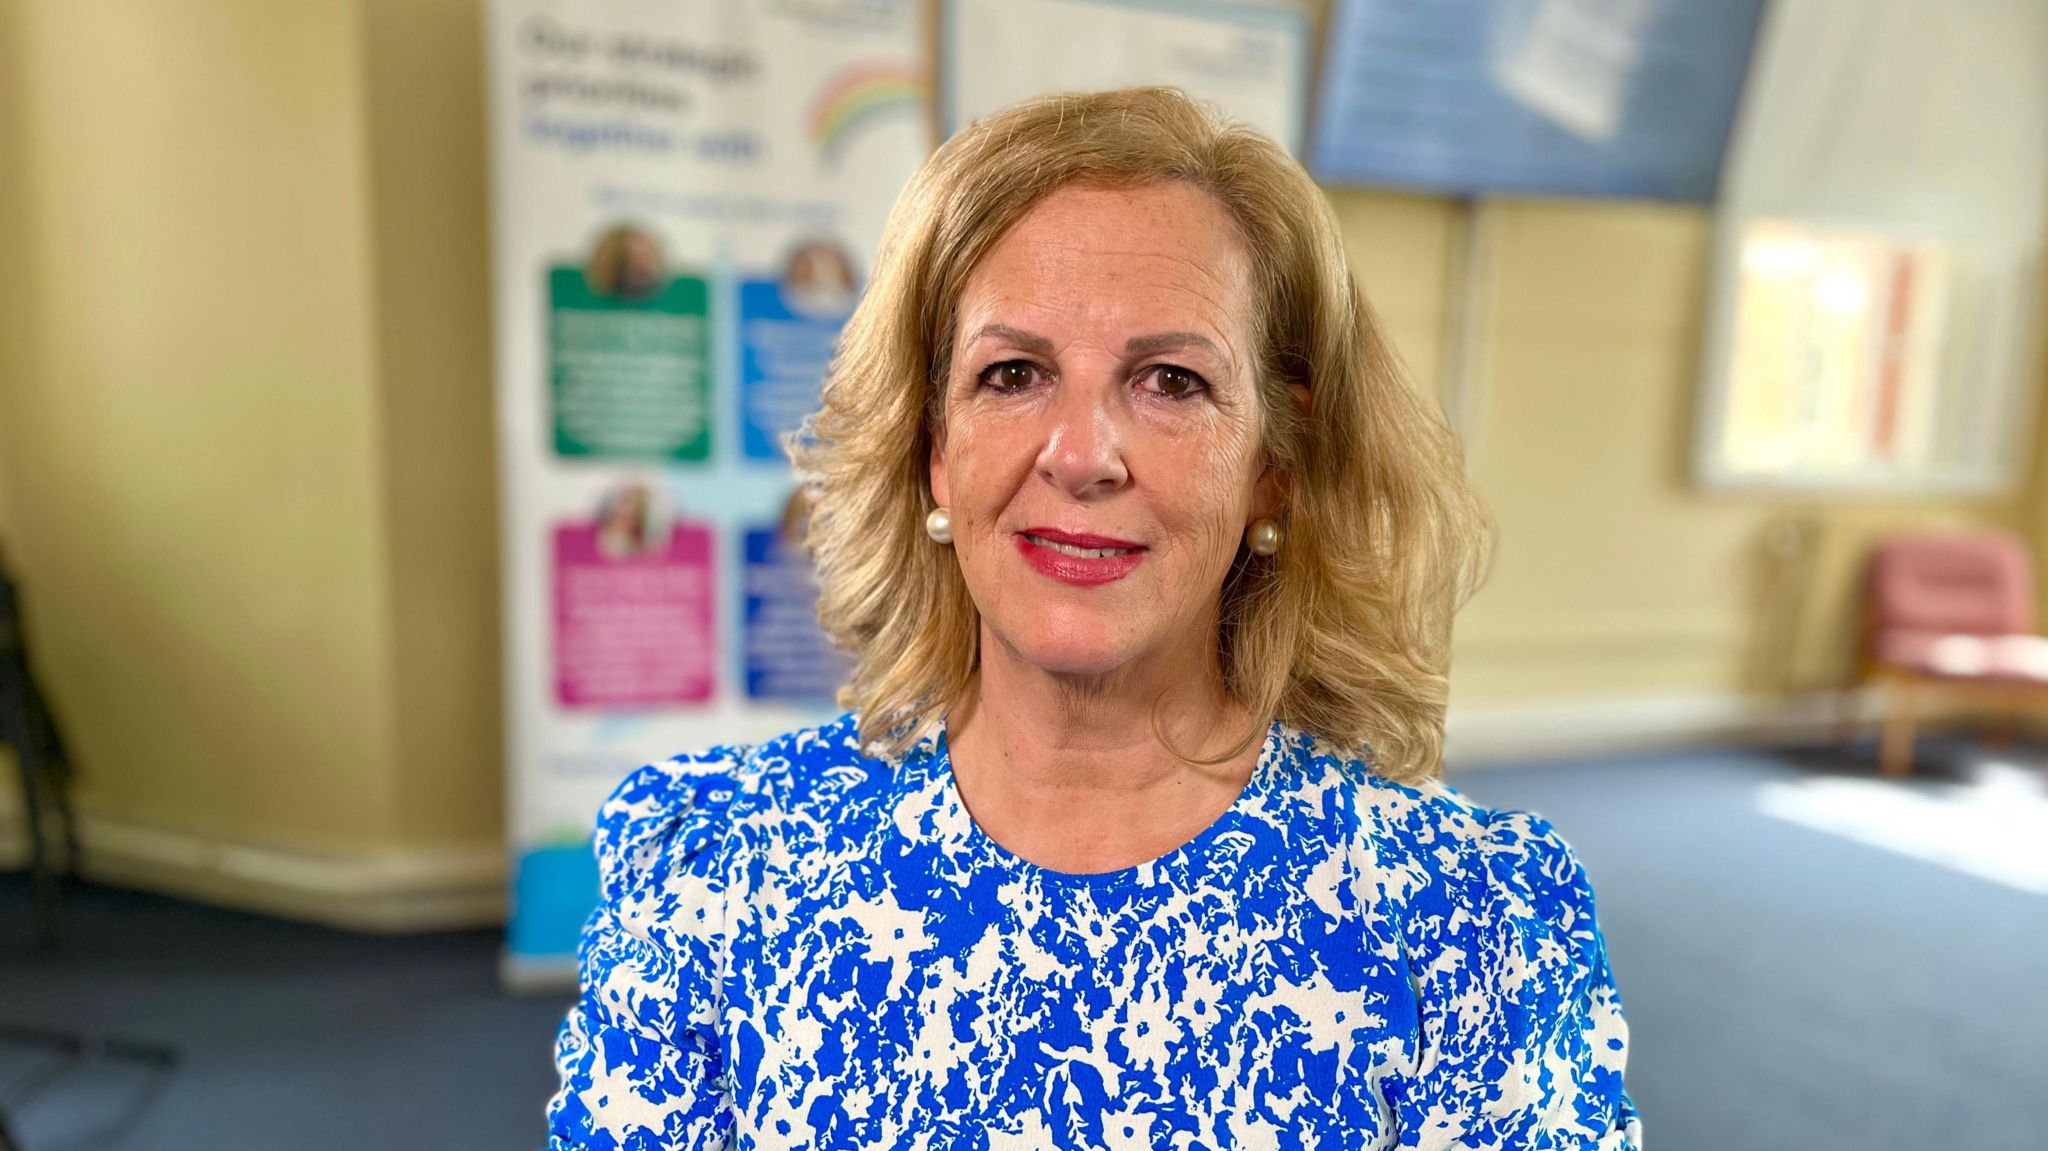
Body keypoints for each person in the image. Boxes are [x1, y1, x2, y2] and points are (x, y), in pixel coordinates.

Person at [546, 86, 1639, 1149]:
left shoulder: (1468, 919)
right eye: (1011, 373)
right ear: (931, 447)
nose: (1078, 456)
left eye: (1168, 381)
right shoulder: (716, 868)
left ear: (1273, 462)